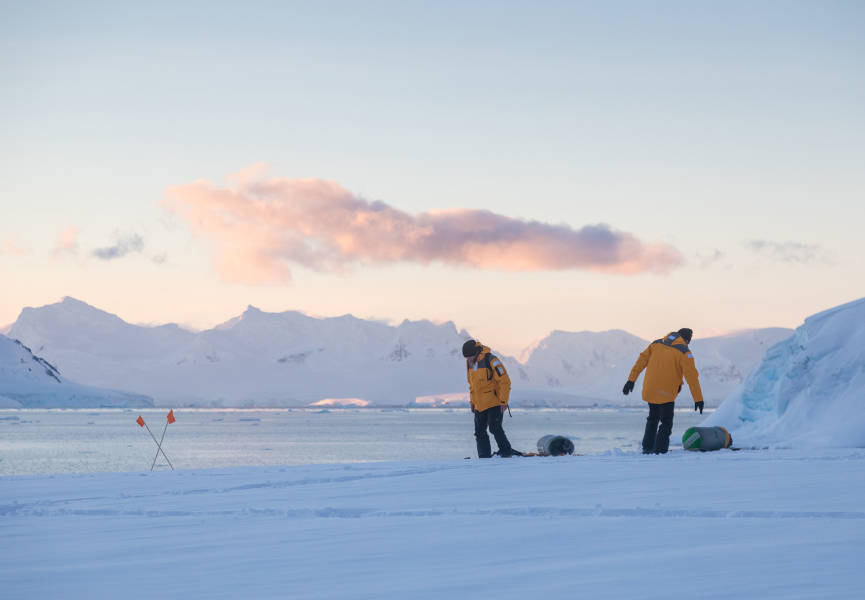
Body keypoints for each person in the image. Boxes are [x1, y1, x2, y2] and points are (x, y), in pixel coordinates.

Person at [622, 328, 705, 454]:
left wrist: (631, 380)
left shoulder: (656, 344)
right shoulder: (684, 352)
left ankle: (647, 447)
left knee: (652, 418)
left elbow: (641, 361)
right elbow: (691, 377)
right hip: (666, 393)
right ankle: (660, 451)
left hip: (650, 389)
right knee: (666, 422)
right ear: (687, 339)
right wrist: (698, 399)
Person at [463, 339, 513, 458]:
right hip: (479, 404)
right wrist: (472, 402)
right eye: (466, 357)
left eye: (469, 356)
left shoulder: (491, 360)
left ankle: (506, 453)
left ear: (476, 352)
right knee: (479, 432)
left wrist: (503, 401)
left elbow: (505, 381)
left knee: (494, 428)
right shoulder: (469, 363)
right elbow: (472, 385)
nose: (468, 359)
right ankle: (484, 458)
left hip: (494, 402)